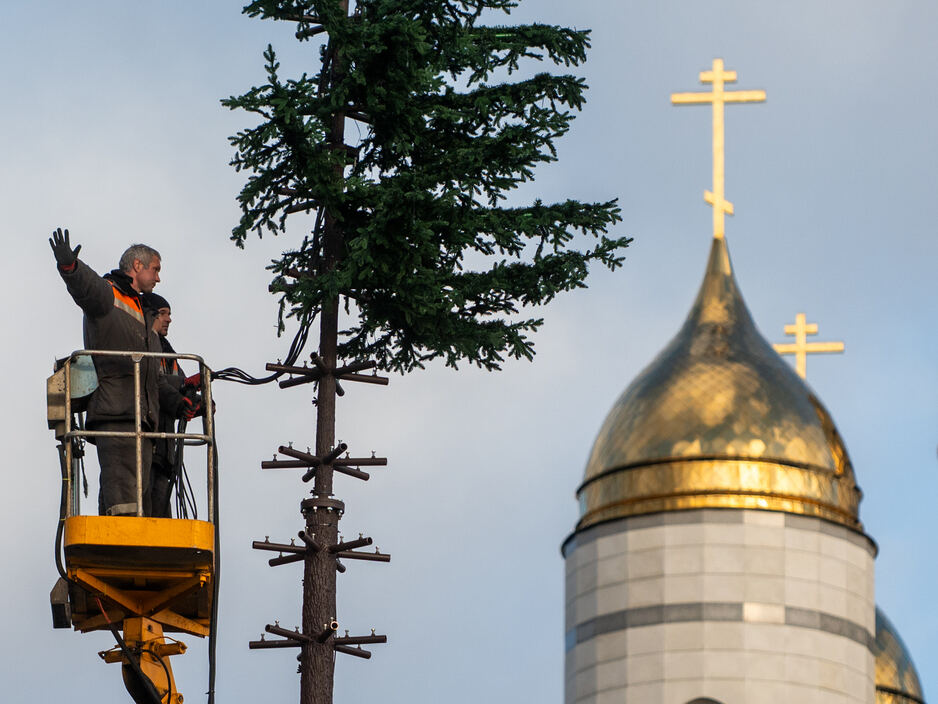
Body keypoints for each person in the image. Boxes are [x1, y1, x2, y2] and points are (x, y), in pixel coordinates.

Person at [49, 228, 201, 516]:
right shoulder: (110, 296)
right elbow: (87, 288)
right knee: (123, 504)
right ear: (137, 266)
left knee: (139, 503)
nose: (158, 277)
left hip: (142, 422)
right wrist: (70, 267)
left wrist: (179, 402)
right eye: (155, 269)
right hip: (116, 415)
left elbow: (154, 378)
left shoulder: (145, 322)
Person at [142, 292, 187, 518]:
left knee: (161, 512)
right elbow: (154, 383)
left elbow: (181, 385)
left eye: (169, 314)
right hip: (146, 441)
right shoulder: (144, 346)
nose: (168, 319)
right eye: (162, 314)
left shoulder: (168, 353)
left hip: (164, 448)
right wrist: (182, 391)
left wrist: (198, 398)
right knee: (142, 506)